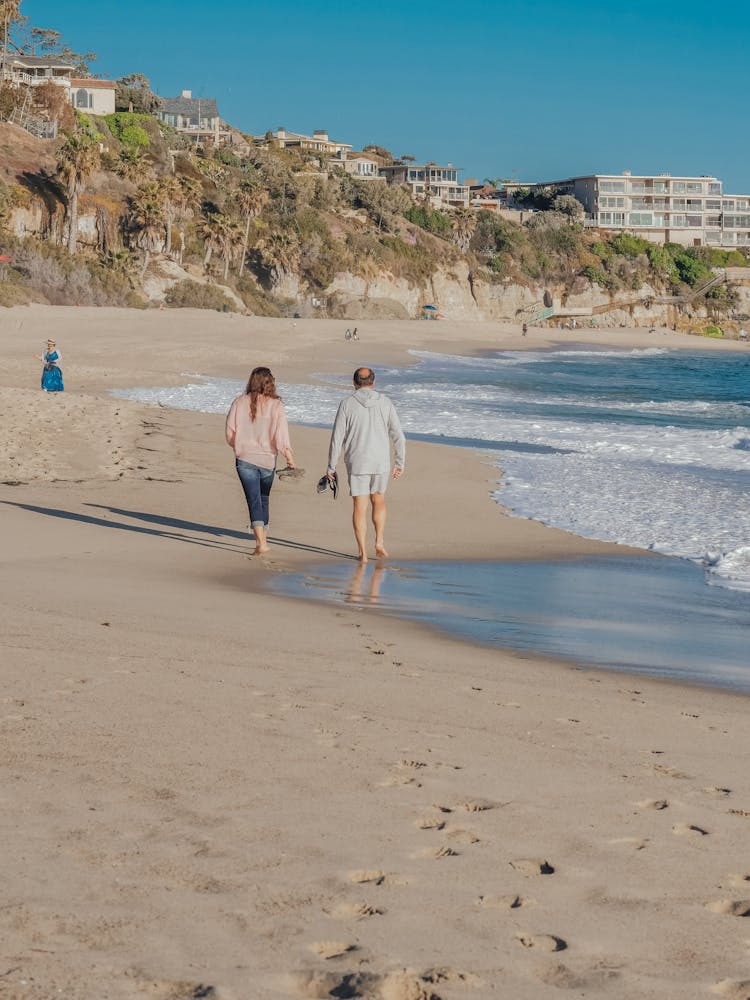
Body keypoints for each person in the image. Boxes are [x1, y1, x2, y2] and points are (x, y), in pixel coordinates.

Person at [326, 367, 405, 563]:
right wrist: (400, 462)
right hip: (380, 461)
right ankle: (379, 541)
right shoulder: (385, 402)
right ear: (373, 383)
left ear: (354, 383)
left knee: (359, 506)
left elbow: (337, 438)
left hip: (357, 461)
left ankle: (363, 553)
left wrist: (331, 466)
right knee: (378, 499)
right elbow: (398, 436)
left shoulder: (346, 404)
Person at [225, 366, 295, 555]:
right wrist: (289, 457)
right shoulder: (276, 405)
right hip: (268, 460)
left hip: (245, 458)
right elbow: (281, 436)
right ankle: (262, 541)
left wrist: (239, 447)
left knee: (254, 499)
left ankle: (261, 542)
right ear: (270, 383)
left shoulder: (239, 402)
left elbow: (229, 433)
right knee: (263, 499)